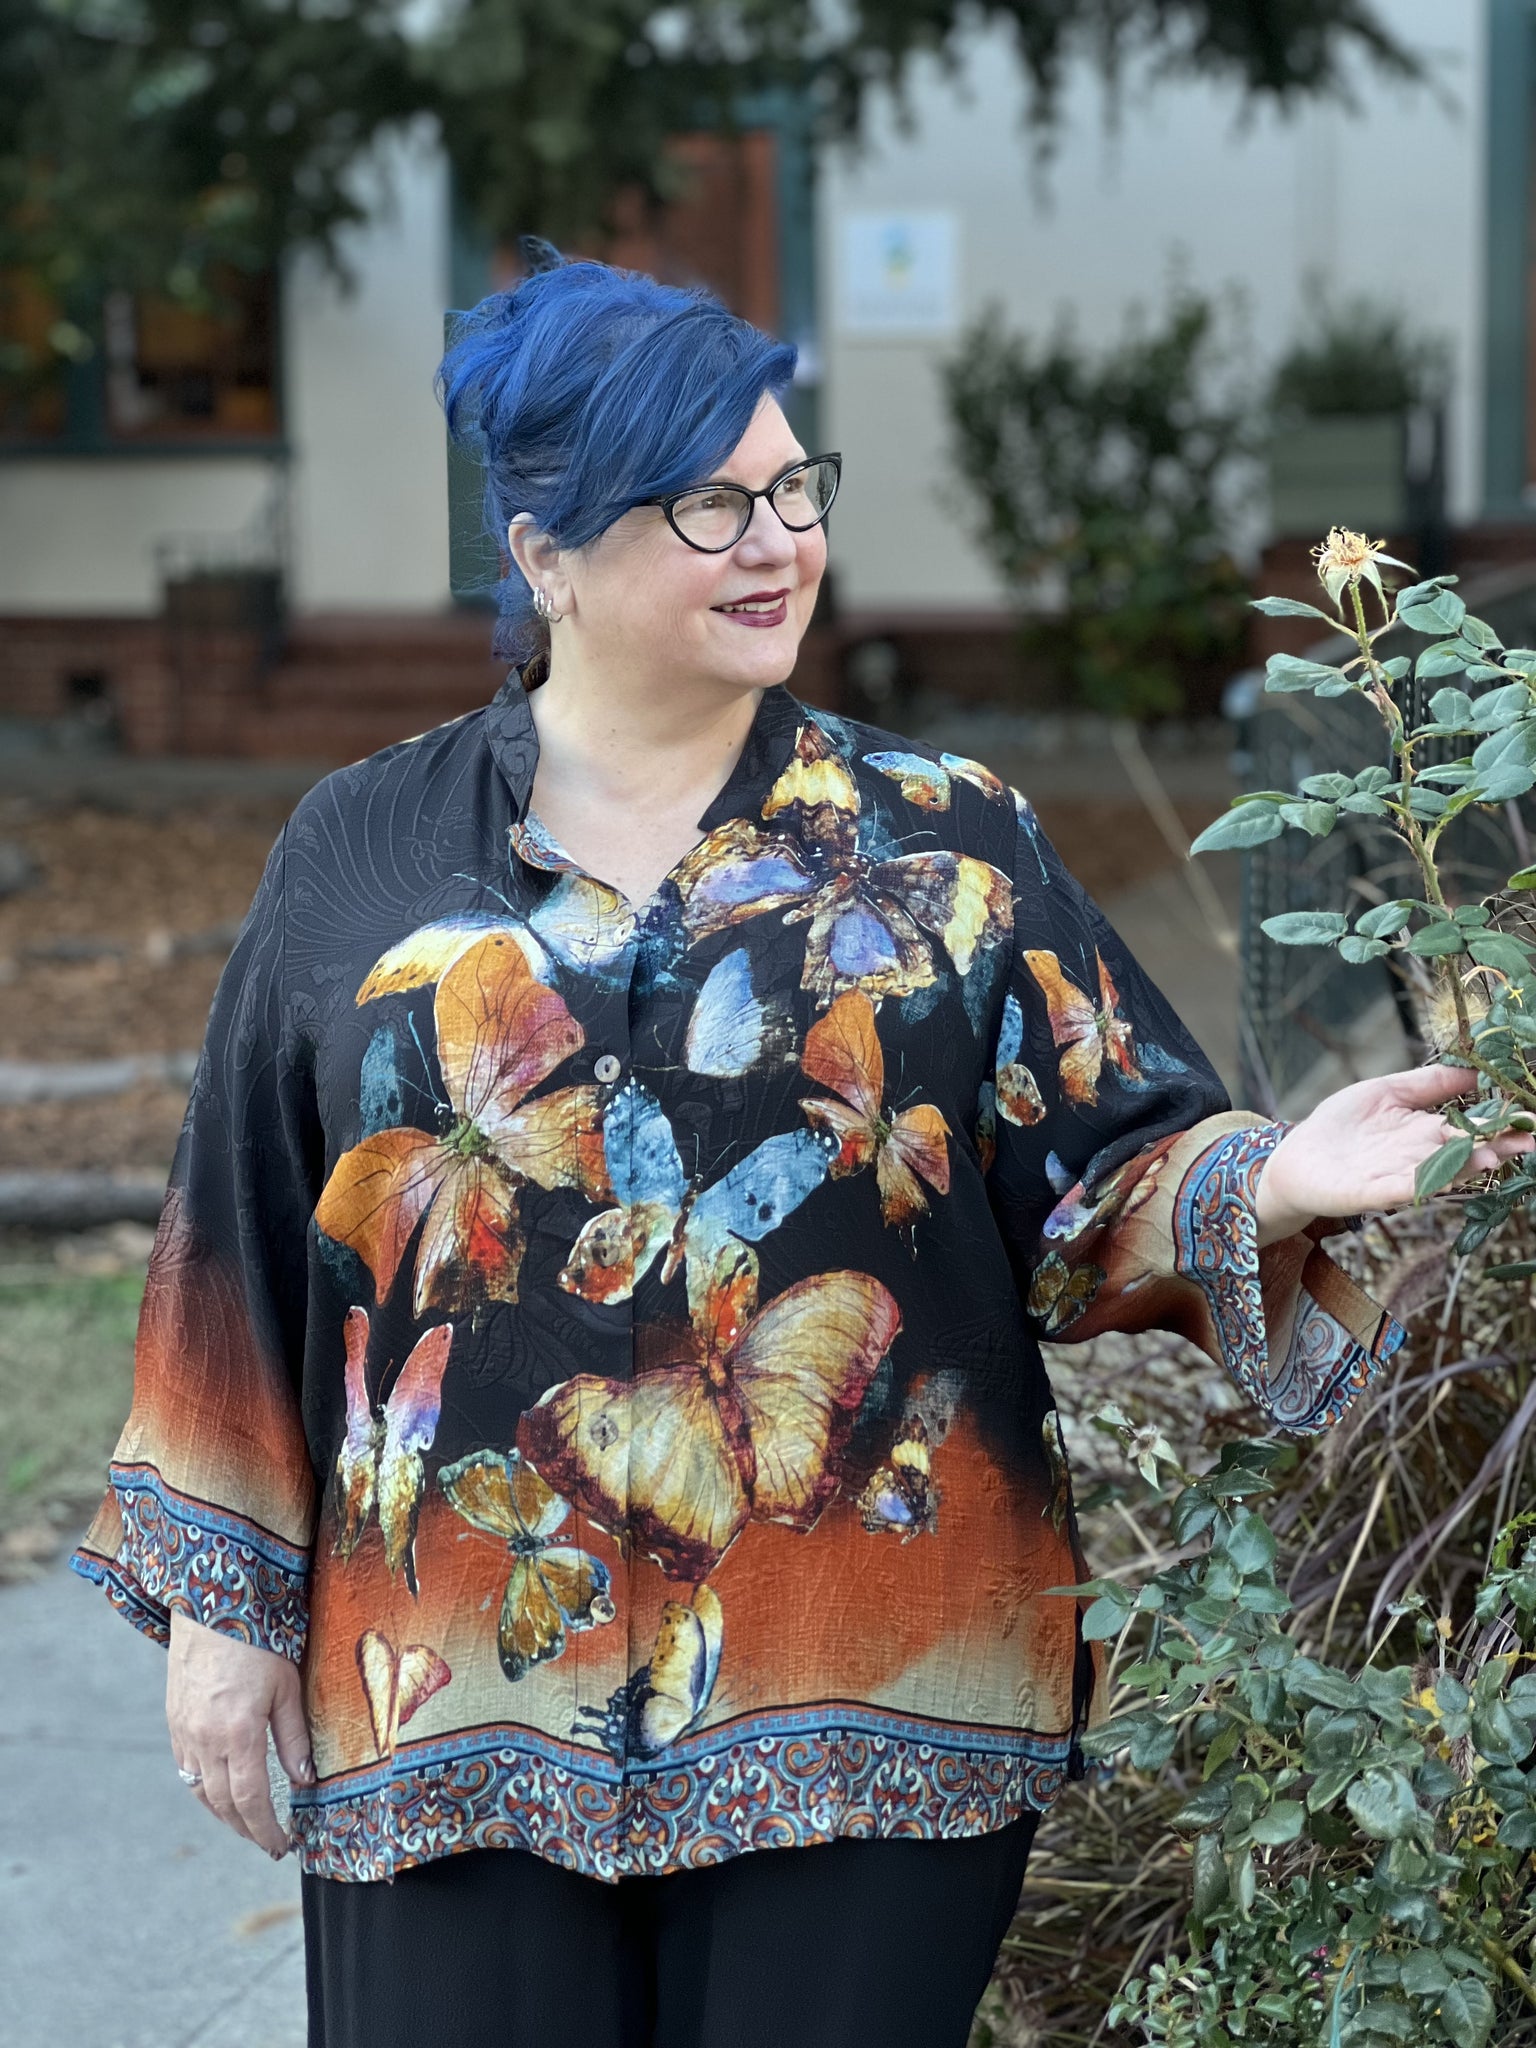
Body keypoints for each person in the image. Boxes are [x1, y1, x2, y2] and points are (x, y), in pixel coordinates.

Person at [72, 243, 1528, 2048]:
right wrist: (223, 1618)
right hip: (448, 1696)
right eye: (709, 505)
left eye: (794, 489)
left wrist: (1277, 1179)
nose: (776, 543)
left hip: (875, 1689)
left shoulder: (943, 845)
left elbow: (1098, 1166)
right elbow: (236, 1233)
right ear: (544, 554)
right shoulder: (358, 854)